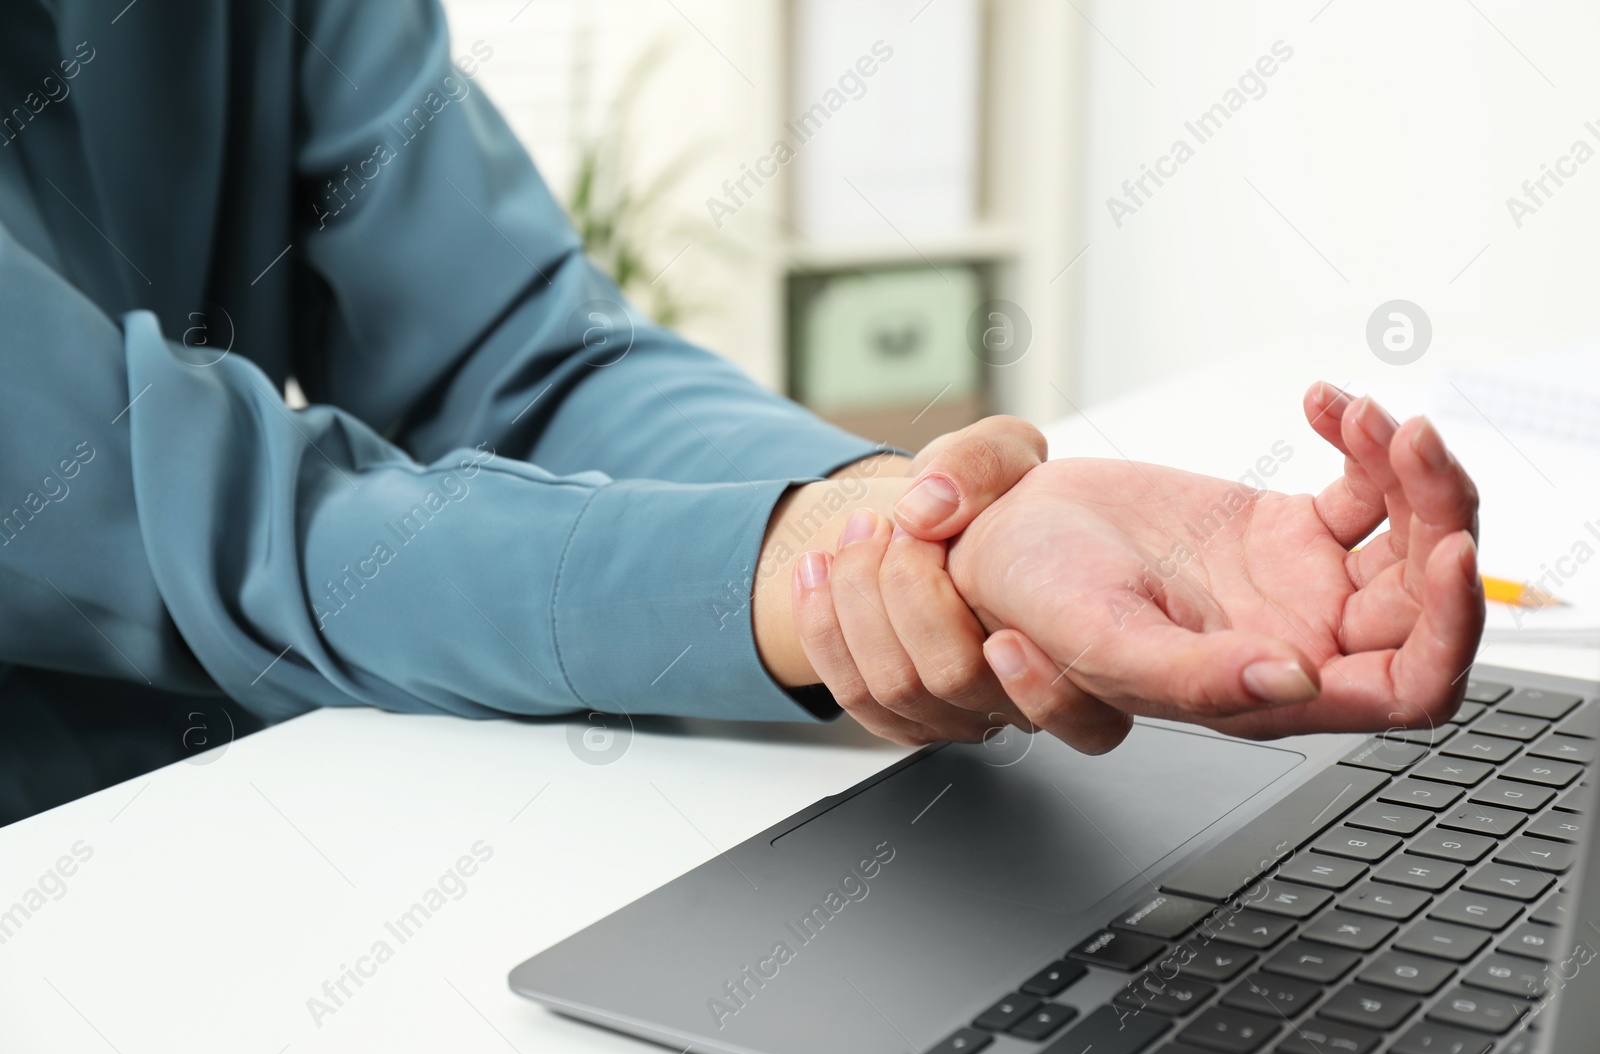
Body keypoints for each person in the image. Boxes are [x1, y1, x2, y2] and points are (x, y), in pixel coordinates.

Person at [0, 1, 1481, 822]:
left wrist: (927, 527)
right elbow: (182, 514)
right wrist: (788, 571)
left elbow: (524, 361)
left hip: (302, 817)